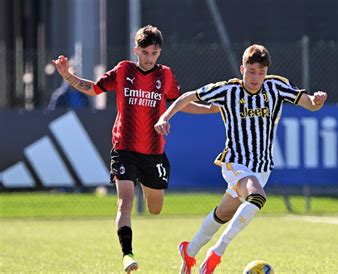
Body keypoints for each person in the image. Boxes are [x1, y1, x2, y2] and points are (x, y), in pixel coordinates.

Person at [52, 25, 218, 273]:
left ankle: (145, 186)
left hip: (153, 153)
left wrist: (212, 109)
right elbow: (94, 88)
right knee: (124, 202)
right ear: (136, 50)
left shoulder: (166, 76)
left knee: (155, 208)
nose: (149, 58)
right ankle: (127, 255)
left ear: (159, 52)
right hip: (124, 149)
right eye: (145, 52)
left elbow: (179, 103)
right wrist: (67, 75)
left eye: (154, 53)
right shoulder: (123, 70)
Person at [155, 44, 327, 273]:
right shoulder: (229, 90)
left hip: (262, 167)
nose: (256, 77)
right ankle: (217, 252)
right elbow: (187, 97)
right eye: (251, 71)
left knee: (224, 213)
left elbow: (311, 105)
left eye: (261, 72)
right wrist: (165, 117)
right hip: (235, 161)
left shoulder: (277, 86)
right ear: (242, 68)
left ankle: (190, 250)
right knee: (257, 197)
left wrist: (318, 101)